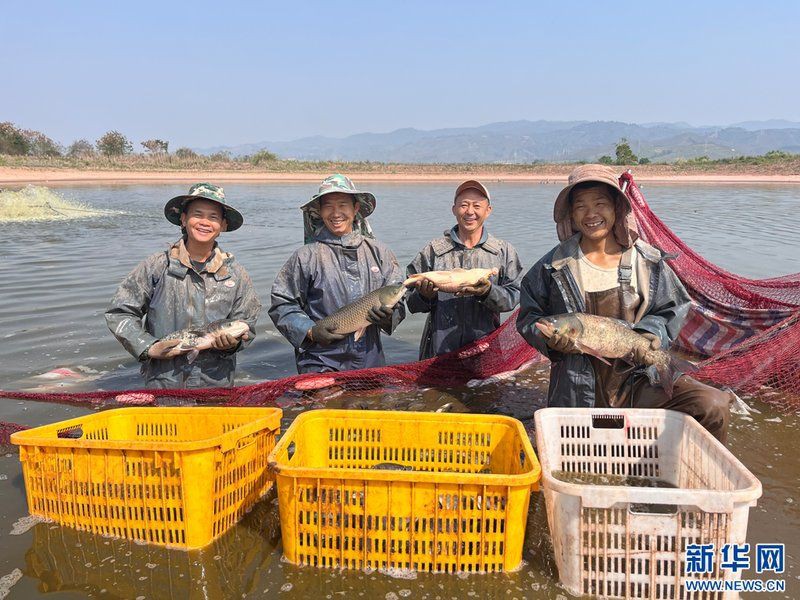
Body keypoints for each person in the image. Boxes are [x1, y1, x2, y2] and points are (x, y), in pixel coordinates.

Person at [516, 164, 730, 442]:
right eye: (580, 206)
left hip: (638, 378)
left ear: (617, 208)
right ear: (570, 214)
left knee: (712, 405)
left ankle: (697, 477)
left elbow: (671, 308)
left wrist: (651, 333)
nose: (591, 214)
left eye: (600, 203)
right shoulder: (550, 267)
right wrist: (550, 341)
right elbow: (529, 319)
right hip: (575, 385)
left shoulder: (648, 262)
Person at [105, 183, 260, 388]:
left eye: (213, 217)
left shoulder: (236, 275)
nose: (205, 222)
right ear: (184, 219)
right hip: (163, 383)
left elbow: (246, 323)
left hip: (216, 384)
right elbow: (120, 312)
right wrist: (148, 347)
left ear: (223, 226)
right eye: (198, 214)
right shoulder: (157, 266)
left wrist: (233, 344)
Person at [269, 174, 405, 373]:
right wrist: (310, 330)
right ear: (320, 211)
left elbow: (399, 298)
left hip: (370, 359)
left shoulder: (380, 253)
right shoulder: (305, 256)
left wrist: (388, 316)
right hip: (319, 360)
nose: (336, 213)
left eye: (343, 205)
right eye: (329, 206)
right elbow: (282, 302)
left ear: (355, 208)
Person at [406, 180, 523, 359]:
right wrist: (424, 296)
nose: (470, 212)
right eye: (464, 205)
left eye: (477, 206)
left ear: (488, 210)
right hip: (438, 352)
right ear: (454, 209)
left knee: (485, 387)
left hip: (485, 349)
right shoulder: (433, 250)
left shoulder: (503, 251)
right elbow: (410, 302)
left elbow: (514, 296)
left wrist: (488, 292)